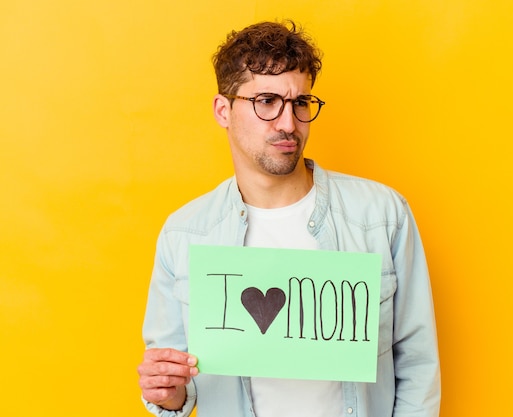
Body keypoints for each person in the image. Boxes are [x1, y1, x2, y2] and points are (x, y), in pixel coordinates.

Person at [137, 20, 441, 417]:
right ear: (223, 110)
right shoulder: (184, 234)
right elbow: (179, 390)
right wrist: (167, 393)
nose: (288, 123)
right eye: (266, 101)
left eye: (300, 103)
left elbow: (418, 365)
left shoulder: (382, 216)